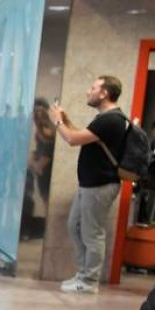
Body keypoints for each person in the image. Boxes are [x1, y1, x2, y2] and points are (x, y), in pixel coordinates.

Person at [50, 75, 130, 293]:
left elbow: (72, 139)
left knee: (92, 233)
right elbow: (80, 135)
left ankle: (89, 281)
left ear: (104, 93)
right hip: (91, 184)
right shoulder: (105, 119)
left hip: (100, 184)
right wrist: (65, 121)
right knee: (75, 226)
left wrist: (57, 121)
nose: (88, 91)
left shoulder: (110, 119)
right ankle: (84, 274)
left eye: (93, 87)